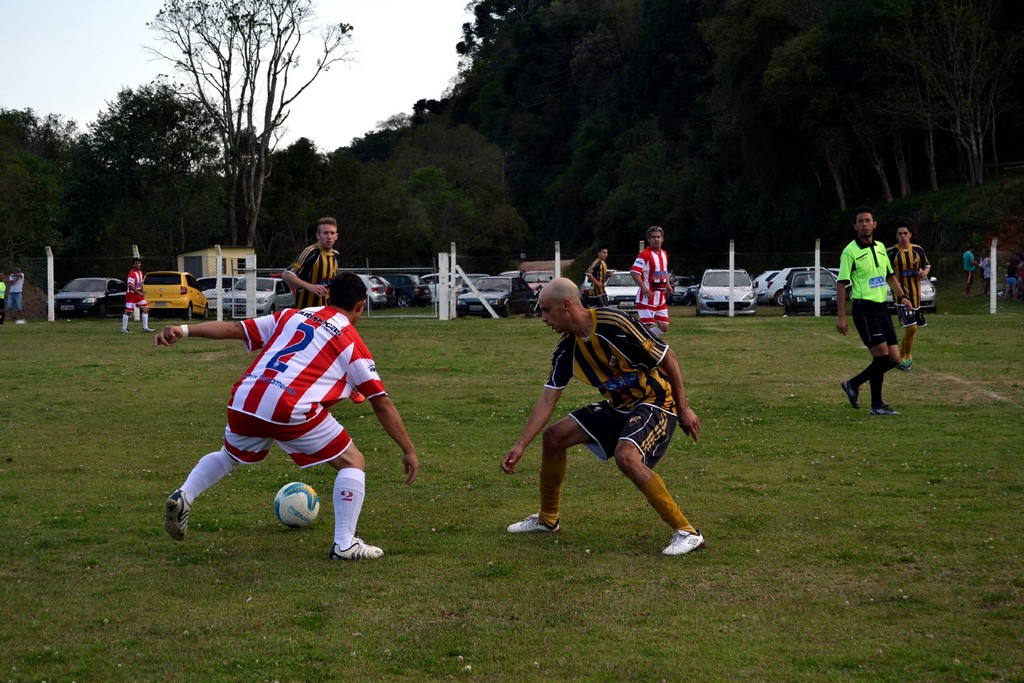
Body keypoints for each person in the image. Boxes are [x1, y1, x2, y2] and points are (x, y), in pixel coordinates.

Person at [157, 272, 419, 560]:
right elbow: (380, 402)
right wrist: (407, 449)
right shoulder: (351, 341)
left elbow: (235, 329)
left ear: (328, 297)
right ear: (360, 306)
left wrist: (184, 329)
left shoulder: (291, 316)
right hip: (288, 406)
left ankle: (186, 494)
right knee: (352, 461)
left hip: (246, 398)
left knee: (229, 456)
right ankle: (345, 544)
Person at [501, 278, 705, 556]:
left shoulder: (615, 323)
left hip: (655, 401)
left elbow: (668, 357)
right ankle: (548, 519)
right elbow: (549, 398)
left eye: (547, 311)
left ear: (567, 305)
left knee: (626, 456)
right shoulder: (566, 349)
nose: (543, 318)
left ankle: (688, 532)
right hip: (618, 406)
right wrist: (521, 444)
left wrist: (683, 408)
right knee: (554, 437)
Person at [837, 207, 912, 416]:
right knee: (881, 356)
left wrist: (903, 296)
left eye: (867, 220)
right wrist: (841, 316)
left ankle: (854, 385)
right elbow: (841, 285)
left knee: (894, 358)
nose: (864, 224)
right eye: (860, 221)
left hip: (882, 307)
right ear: (855, 226)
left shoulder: (880, 248)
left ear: (874, 224)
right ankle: (875, 403)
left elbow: (889, 276)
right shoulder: (849, 252)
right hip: (864, 308)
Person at [281, 216, 363, 403]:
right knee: (303, 355)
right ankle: (293, 388)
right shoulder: (310, 253)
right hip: (305, 316)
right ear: (317, 235)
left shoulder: (336, 256)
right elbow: (287, 274)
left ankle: (347, 385)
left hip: (327, 314)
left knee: (338, 348)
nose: (329, 236)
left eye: (332, 233)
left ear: (337, 236)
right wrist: (308, 286)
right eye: (325, 233)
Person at [886, 222, 931, 372]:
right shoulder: (891, 253)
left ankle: (899, 357)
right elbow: (886, 273)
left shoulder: (918, 249)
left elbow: (927, 265)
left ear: (910, 234)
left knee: (912, 328)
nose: (903, 236)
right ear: (896, 236)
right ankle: (908, 357)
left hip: (916, 296)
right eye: (900, 234)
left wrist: (925, 272)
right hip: (901, 297)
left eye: (905, 233)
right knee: (911, 327)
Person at [630, 226, 671, 337]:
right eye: (653, 237)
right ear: (649, 239)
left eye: (658, 237)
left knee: (664, 326)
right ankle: (641, 346)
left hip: (660, 298)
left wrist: (668, 285)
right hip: (647, 298)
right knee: (646, 326)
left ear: (662, 239)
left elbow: (664, 271)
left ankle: (639, 340)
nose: (656, 239)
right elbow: (634, 272)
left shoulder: (664, 254)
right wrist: (644, 288)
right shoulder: (645, 254)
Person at [121, 258, 155, 333]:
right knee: (128, 311)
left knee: (146, 309)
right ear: (133, 265)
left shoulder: (141, 273)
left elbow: (141, 284)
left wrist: (142, 293)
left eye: (139, 263)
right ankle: (123, 328)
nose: (138, 265)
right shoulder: (131, 274)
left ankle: (145, 328)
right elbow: (130, 286)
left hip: (138, 295)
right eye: (136, 263)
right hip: (131, 295)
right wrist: (138, 292)